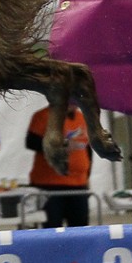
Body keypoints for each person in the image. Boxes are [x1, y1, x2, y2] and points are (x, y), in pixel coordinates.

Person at [25, 98, 92, 228]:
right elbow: (31, 142)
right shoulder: (43, 116)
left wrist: (87, 175)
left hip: (78, 183)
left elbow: (88, 149)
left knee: (81, 228)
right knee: (52, 227)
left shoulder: (82, 118)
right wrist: (61, 145)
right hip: (50, 184)